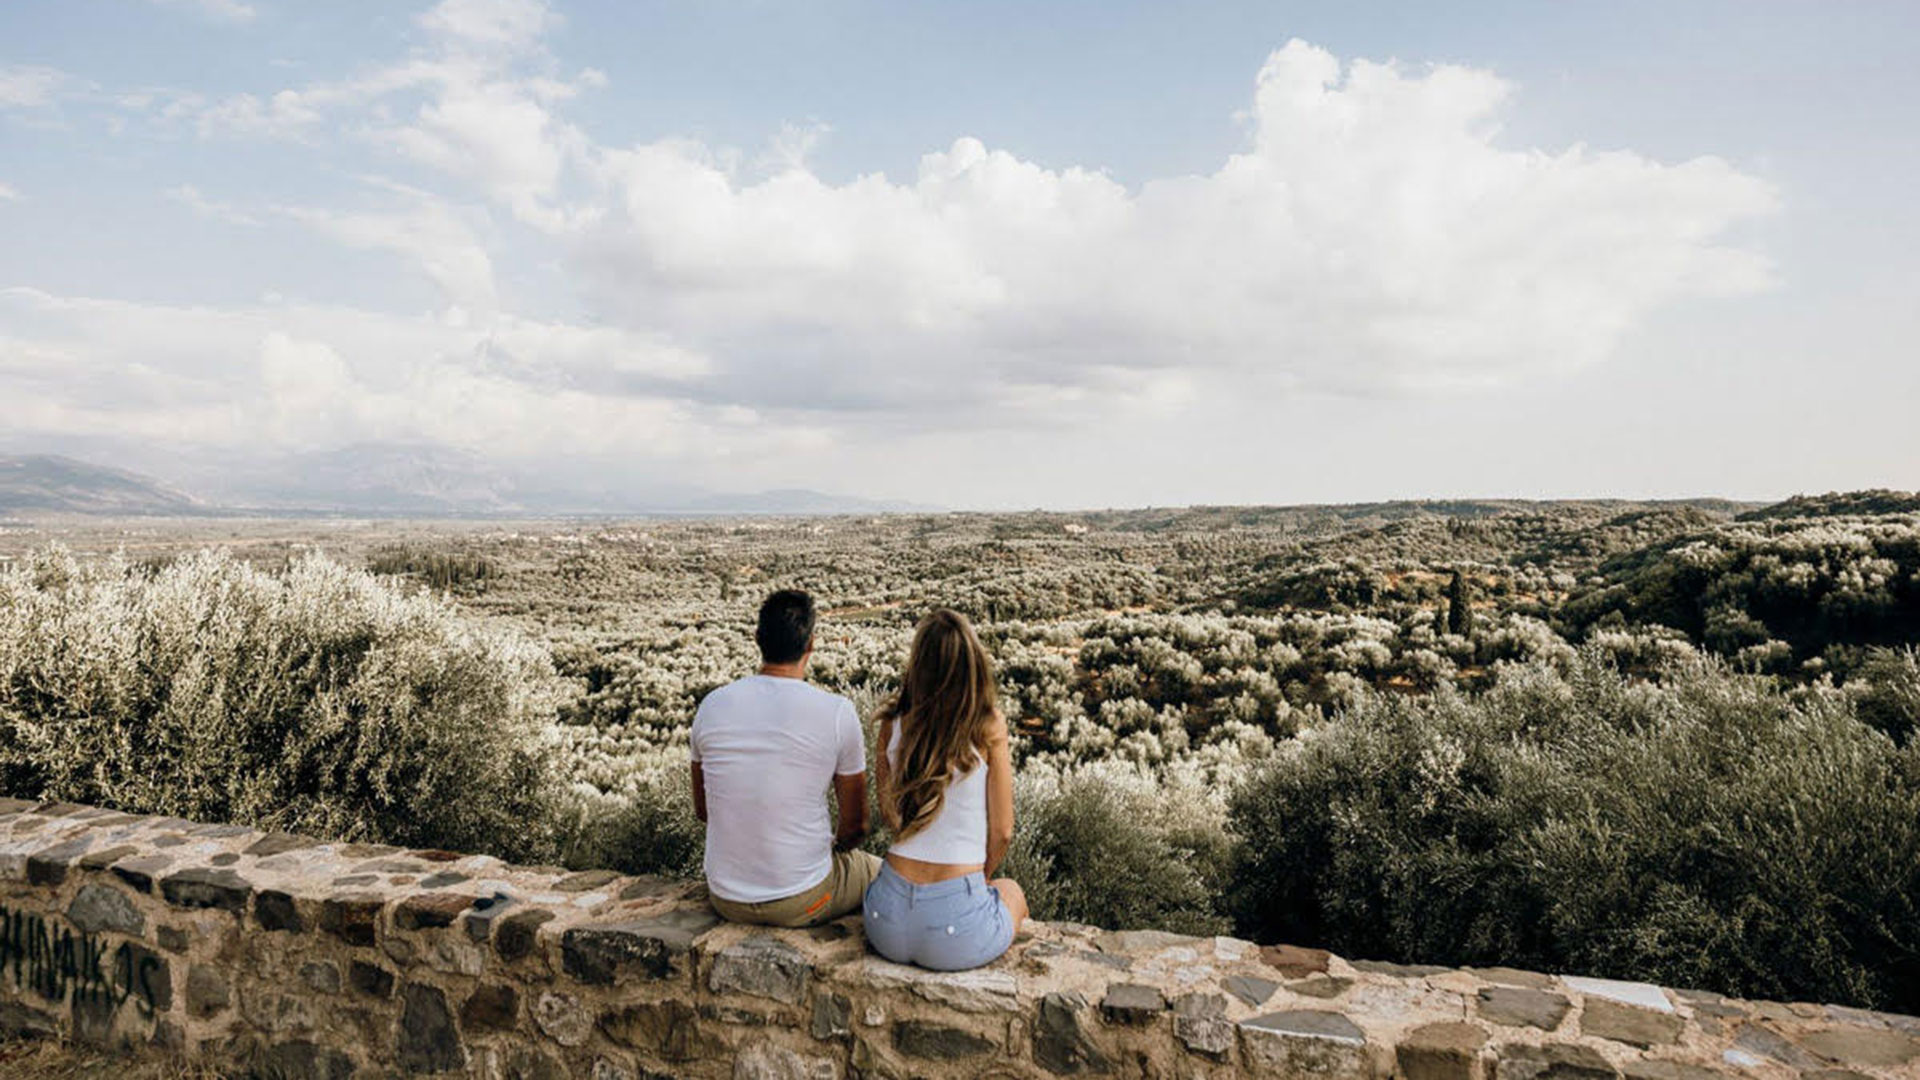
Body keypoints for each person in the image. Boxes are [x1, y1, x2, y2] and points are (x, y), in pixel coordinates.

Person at [690, 589, 879, 927]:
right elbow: (856, 826)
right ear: (811, 644)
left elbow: (704, 811)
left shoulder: (711, 705)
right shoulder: (837, 712)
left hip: (725, 898)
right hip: (802, 899)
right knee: (889, 875)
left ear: (757, 639)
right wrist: (826, 849)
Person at [863, 608, 1028, 970]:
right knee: (1012, 891)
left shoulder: (892, 722)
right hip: (955, 931)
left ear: (917, 663)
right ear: (972, 662)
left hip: (884, 919)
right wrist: (977, 882)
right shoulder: (989, 726)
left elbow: (890, 815)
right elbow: (1002, 831)